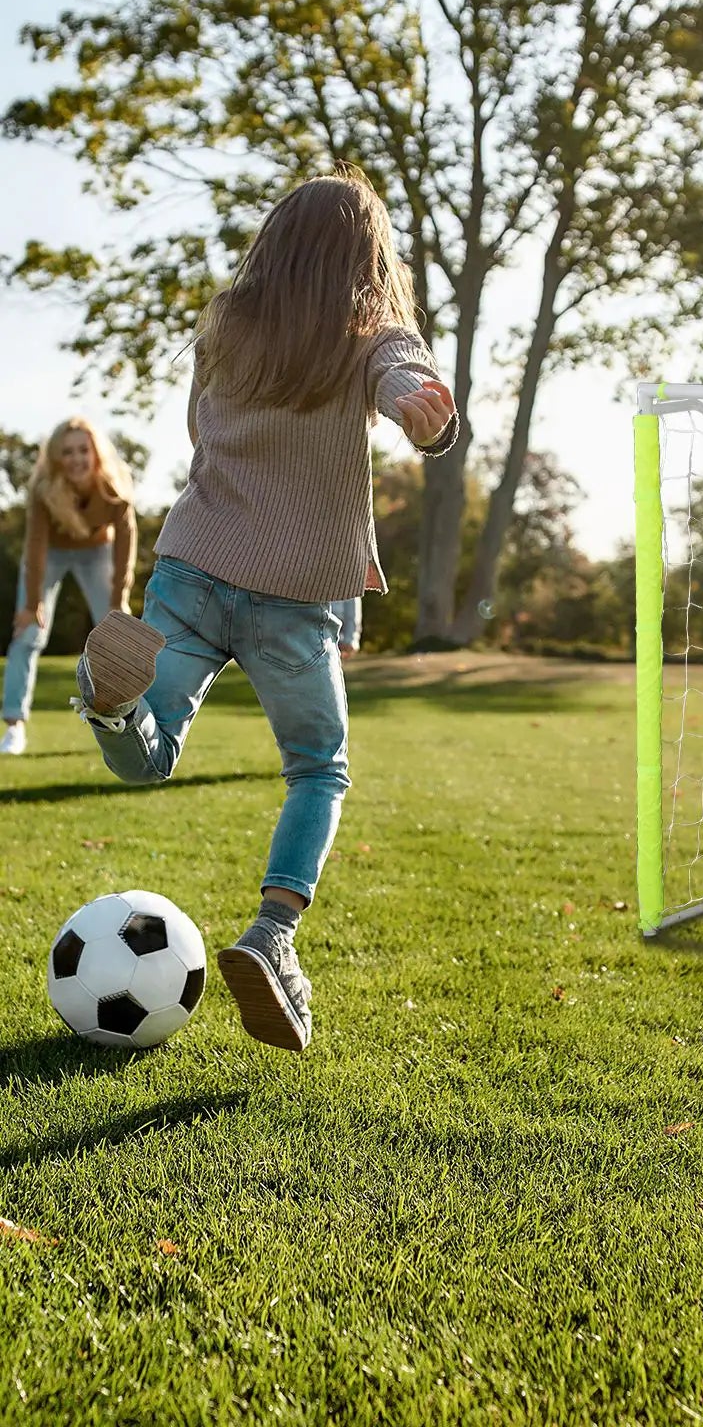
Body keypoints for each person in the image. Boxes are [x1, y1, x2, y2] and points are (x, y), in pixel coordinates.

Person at [71, 166, 458, 1053]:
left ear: (275, 243)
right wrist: (420, 414)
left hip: (195, 562)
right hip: (293, 597)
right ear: (369, 255)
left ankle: (110, 704)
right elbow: (410, 380)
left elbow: (199, 433)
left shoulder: (225, 324)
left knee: (153, 754)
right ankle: (273, 934)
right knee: (318, 769)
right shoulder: (372, 335)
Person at [2, 419, 137, 757]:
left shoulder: (114, 485)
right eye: (67, 452)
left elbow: (126, 544)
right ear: (56, 457)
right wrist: (32, 605)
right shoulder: (43, 488)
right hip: (51, 554)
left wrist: (119, 597)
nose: (76, 458)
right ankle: (14, 727)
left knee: (118, 634)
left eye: (83, 450)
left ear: (96, 453)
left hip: (97, 553)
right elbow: (34, 548)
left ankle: (131, 717)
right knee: (27, 633)